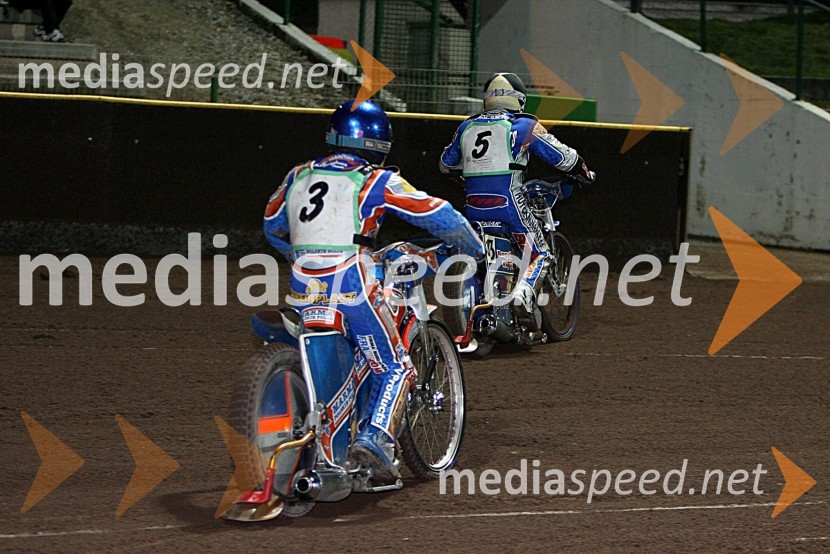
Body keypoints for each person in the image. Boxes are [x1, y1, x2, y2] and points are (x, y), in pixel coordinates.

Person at [263, 100, 484, 483]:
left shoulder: (298, 174)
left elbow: (271, 224)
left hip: (302, 283)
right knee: (396, 365)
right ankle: (376, 438)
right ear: (380, 142)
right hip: (352, 279)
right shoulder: (374, 180)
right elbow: (437, 214)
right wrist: (473, 246)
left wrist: (305, 254)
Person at [439, 72, 595, 316]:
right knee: (540, 254)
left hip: (473, 207)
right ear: (520, 100)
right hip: (509, 205)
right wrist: (585, 174)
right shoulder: (523, 125)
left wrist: (465, 181)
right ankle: (523, 294)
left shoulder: (466, 126)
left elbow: (445, 165)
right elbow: (565, 158)